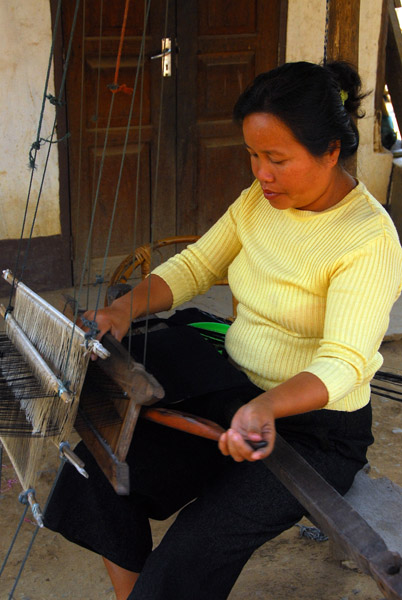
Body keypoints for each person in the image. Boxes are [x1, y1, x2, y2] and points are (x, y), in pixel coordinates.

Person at [44, 61, 402, 600]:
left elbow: (344, 362)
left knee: (197, 545)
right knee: (100, 471)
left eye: (277, 159)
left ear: (331, 152)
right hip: (232, 389)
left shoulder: (368, 239)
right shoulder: (261, 201)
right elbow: (196, 267)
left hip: (314, 428)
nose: (261, 173)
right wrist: (124, 310)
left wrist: (267, 408)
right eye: (254, 156)